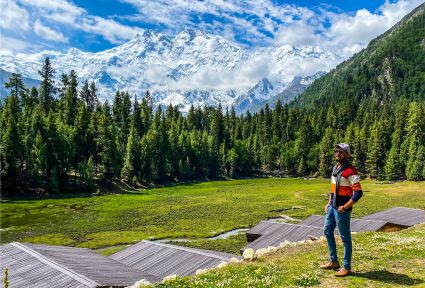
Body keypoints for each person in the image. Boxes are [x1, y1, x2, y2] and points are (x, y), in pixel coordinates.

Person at [320, 143, 363, 277]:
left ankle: (346, 267)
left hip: (342, 210)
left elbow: (358, 193)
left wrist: (345, 207)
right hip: (332, 207)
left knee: (345, 238)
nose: (337, 154)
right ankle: (334, 261)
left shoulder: (351, 171)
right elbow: (333, 190)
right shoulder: (335, 168)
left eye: (341, 152)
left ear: (347, 154)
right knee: (327, 231)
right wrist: (328, 203)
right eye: (336, 151)